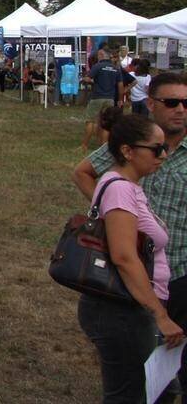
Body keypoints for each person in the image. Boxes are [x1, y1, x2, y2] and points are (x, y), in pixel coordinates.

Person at [73, 73, 187, 394]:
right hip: (129, 293)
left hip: (172, 278)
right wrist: (118, 217)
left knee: (159, 383)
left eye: (186, 103)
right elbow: (124, 255)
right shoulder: (124, 180)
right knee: (134, 388)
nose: (163, 157)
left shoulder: (132, 180)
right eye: (172, 102)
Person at [84, 48, 125, 151]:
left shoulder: (97, 66)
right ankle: (104, 145)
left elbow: (88, 79)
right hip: (110, 98)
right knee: (107, 122)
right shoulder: (116, 68)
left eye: (98, 55)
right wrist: (120, 99)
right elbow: (120, 85)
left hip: (97, 97)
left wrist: (91, 81)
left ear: (102, 55)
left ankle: (85, 145)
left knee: (91, 121)